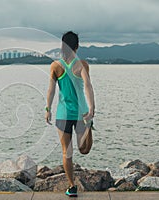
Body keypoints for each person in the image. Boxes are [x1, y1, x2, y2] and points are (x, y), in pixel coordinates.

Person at [45, 31, 95, 197]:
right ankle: (72, 186)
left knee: (68, 152)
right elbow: (88, 86)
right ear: (77, 46)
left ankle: (72, 185)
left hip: (63, 114)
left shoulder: (55, 66)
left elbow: (51, 90)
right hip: (80, 113)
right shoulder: (82, 64)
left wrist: (48, 109)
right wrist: (92, 108)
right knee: (84, 149)